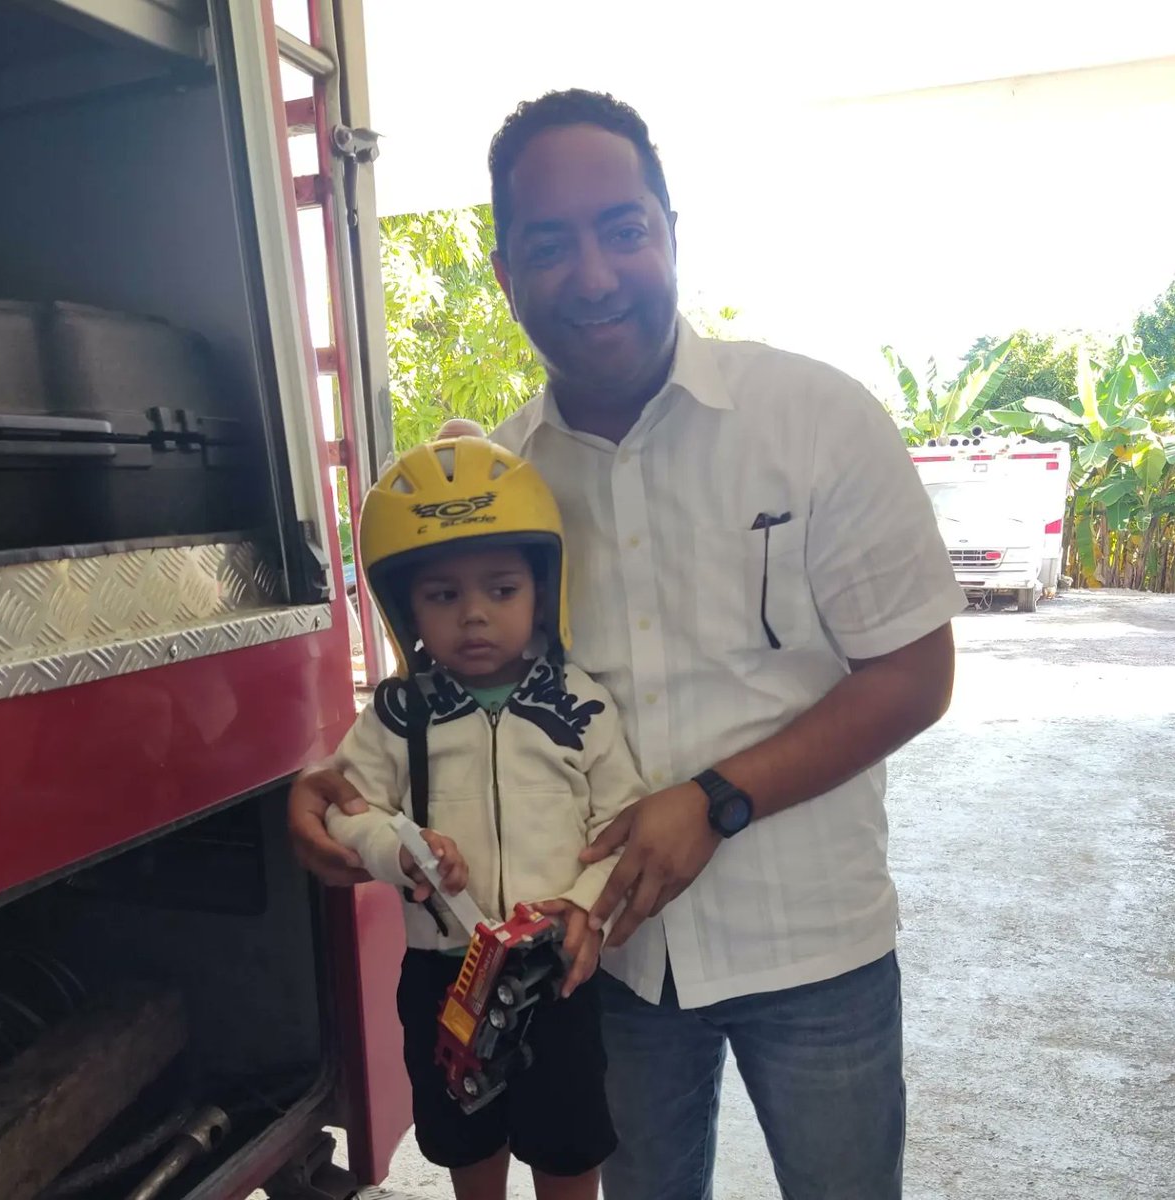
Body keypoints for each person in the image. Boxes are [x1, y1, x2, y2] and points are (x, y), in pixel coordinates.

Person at [290, 89, 966, 1200]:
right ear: (505, 275)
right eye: (549, 245)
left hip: (814, 946)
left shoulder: (813, 420)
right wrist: (337, 788)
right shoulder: (498, 493)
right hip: (610, 968)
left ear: (668, 233)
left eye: (622, 229)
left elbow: (913, 672)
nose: (593, 274)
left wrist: (715, 798)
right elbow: (455, 691)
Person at [324, 434, 644, 1200]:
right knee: (466, 1134)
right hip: (444, 974)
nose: (473, 616)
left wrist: (582, 907)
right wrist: (390, 847)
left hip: (557, 972)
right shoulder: (399, 714)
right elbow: (346, 808)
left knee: (567, 1145)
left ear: (542, 588)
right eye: (444, 596)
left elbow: (626, 821)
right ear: (407, 606)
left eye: (500, 590)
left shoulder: (582, 702)